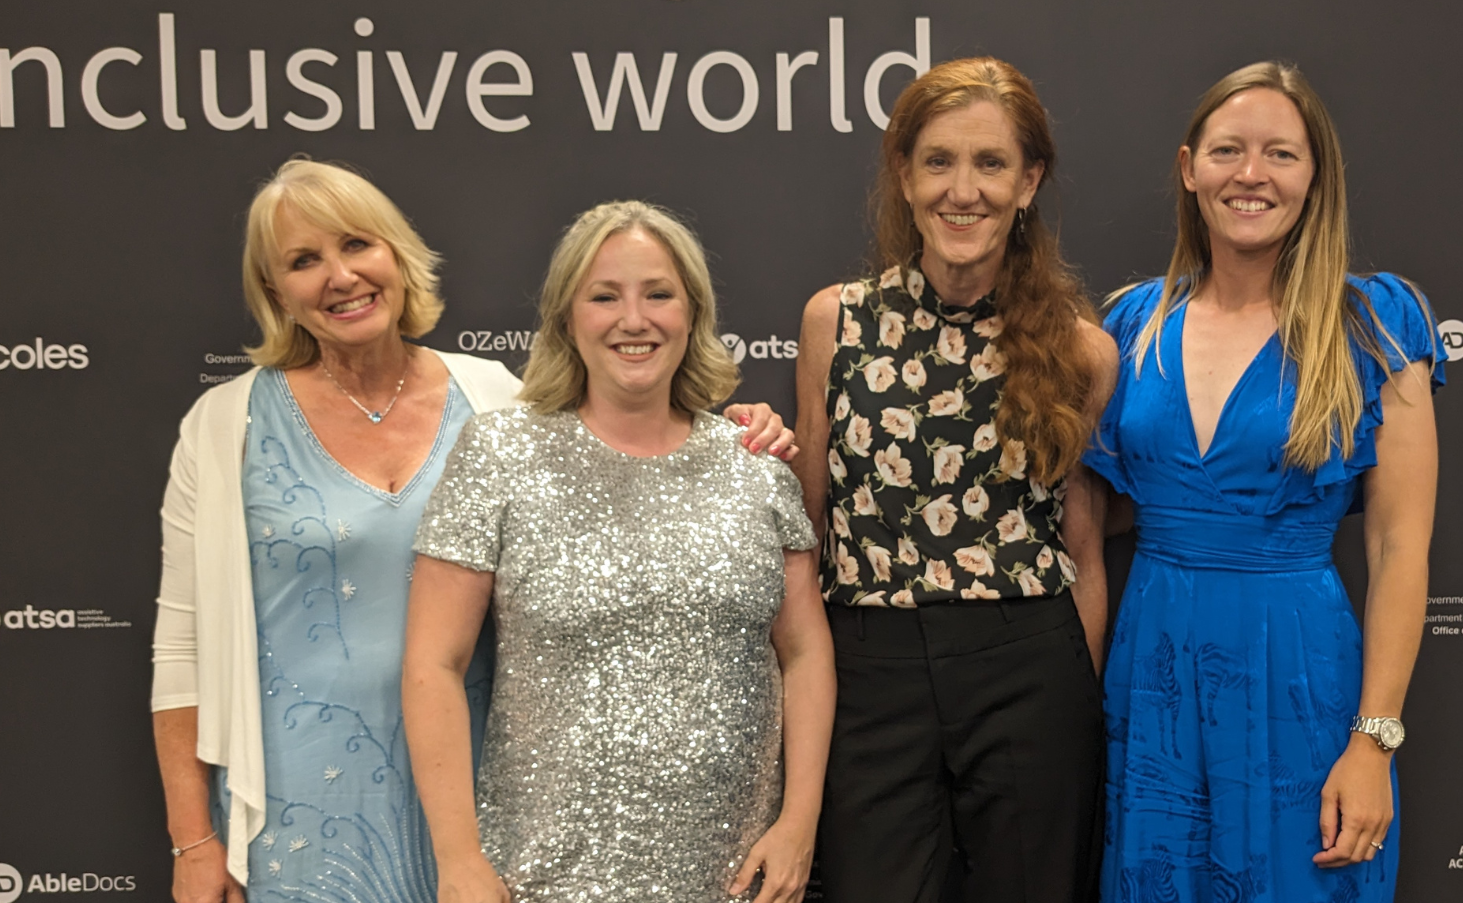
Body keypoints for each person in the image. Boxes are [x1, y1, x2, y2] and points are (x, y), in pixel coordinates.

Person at [150, 163, 794, 903]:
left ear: (396, 256)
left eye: (357, 245)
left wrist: (745, 429)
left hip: (488, 804)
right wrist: (194, 839)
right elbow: (181, 650)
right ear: (274, 294)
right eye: (302, 261)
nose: (339, 277)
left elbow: (630, 447)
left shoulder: (493, 399)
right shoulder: (224, 427)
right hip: (301, 804)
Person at [1077, 61, 1442, 902]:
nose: (1252, 174)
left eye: (1281, 154)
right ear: (1188, 167)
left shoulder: (1376, 326)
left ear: (1315, 178)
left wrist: (1374, 742)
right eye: (1228, 150)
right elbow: (1092, 520)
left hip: (1300, 674)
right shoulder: (1132, 323)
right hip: (1153, 668)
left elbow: (1398, 548)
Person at [402, 201, 834, 903]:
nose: (634, 320)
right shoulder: (499, 455)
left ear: (692, 312)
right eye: (604, 296)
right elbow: (433, 662)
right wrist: (458, 859)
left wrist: (799, 822)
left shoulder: (755, 463)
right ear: (567, 317)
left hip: (734, 877)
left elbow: (806, 650)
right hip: (544, 876)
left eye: (657, 294)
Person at [792, 57, 1121, 903]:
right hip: (870, 668)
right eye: (938, 161)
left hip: (1029, 666)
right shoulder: (837, 321)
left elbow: (1080, 541)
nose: (962, 190)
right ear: (904, 176)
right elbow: (812, 526)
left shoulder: (1082, 350)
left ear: (1029, 180)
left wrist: (1070, 696)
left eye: (990, 163)